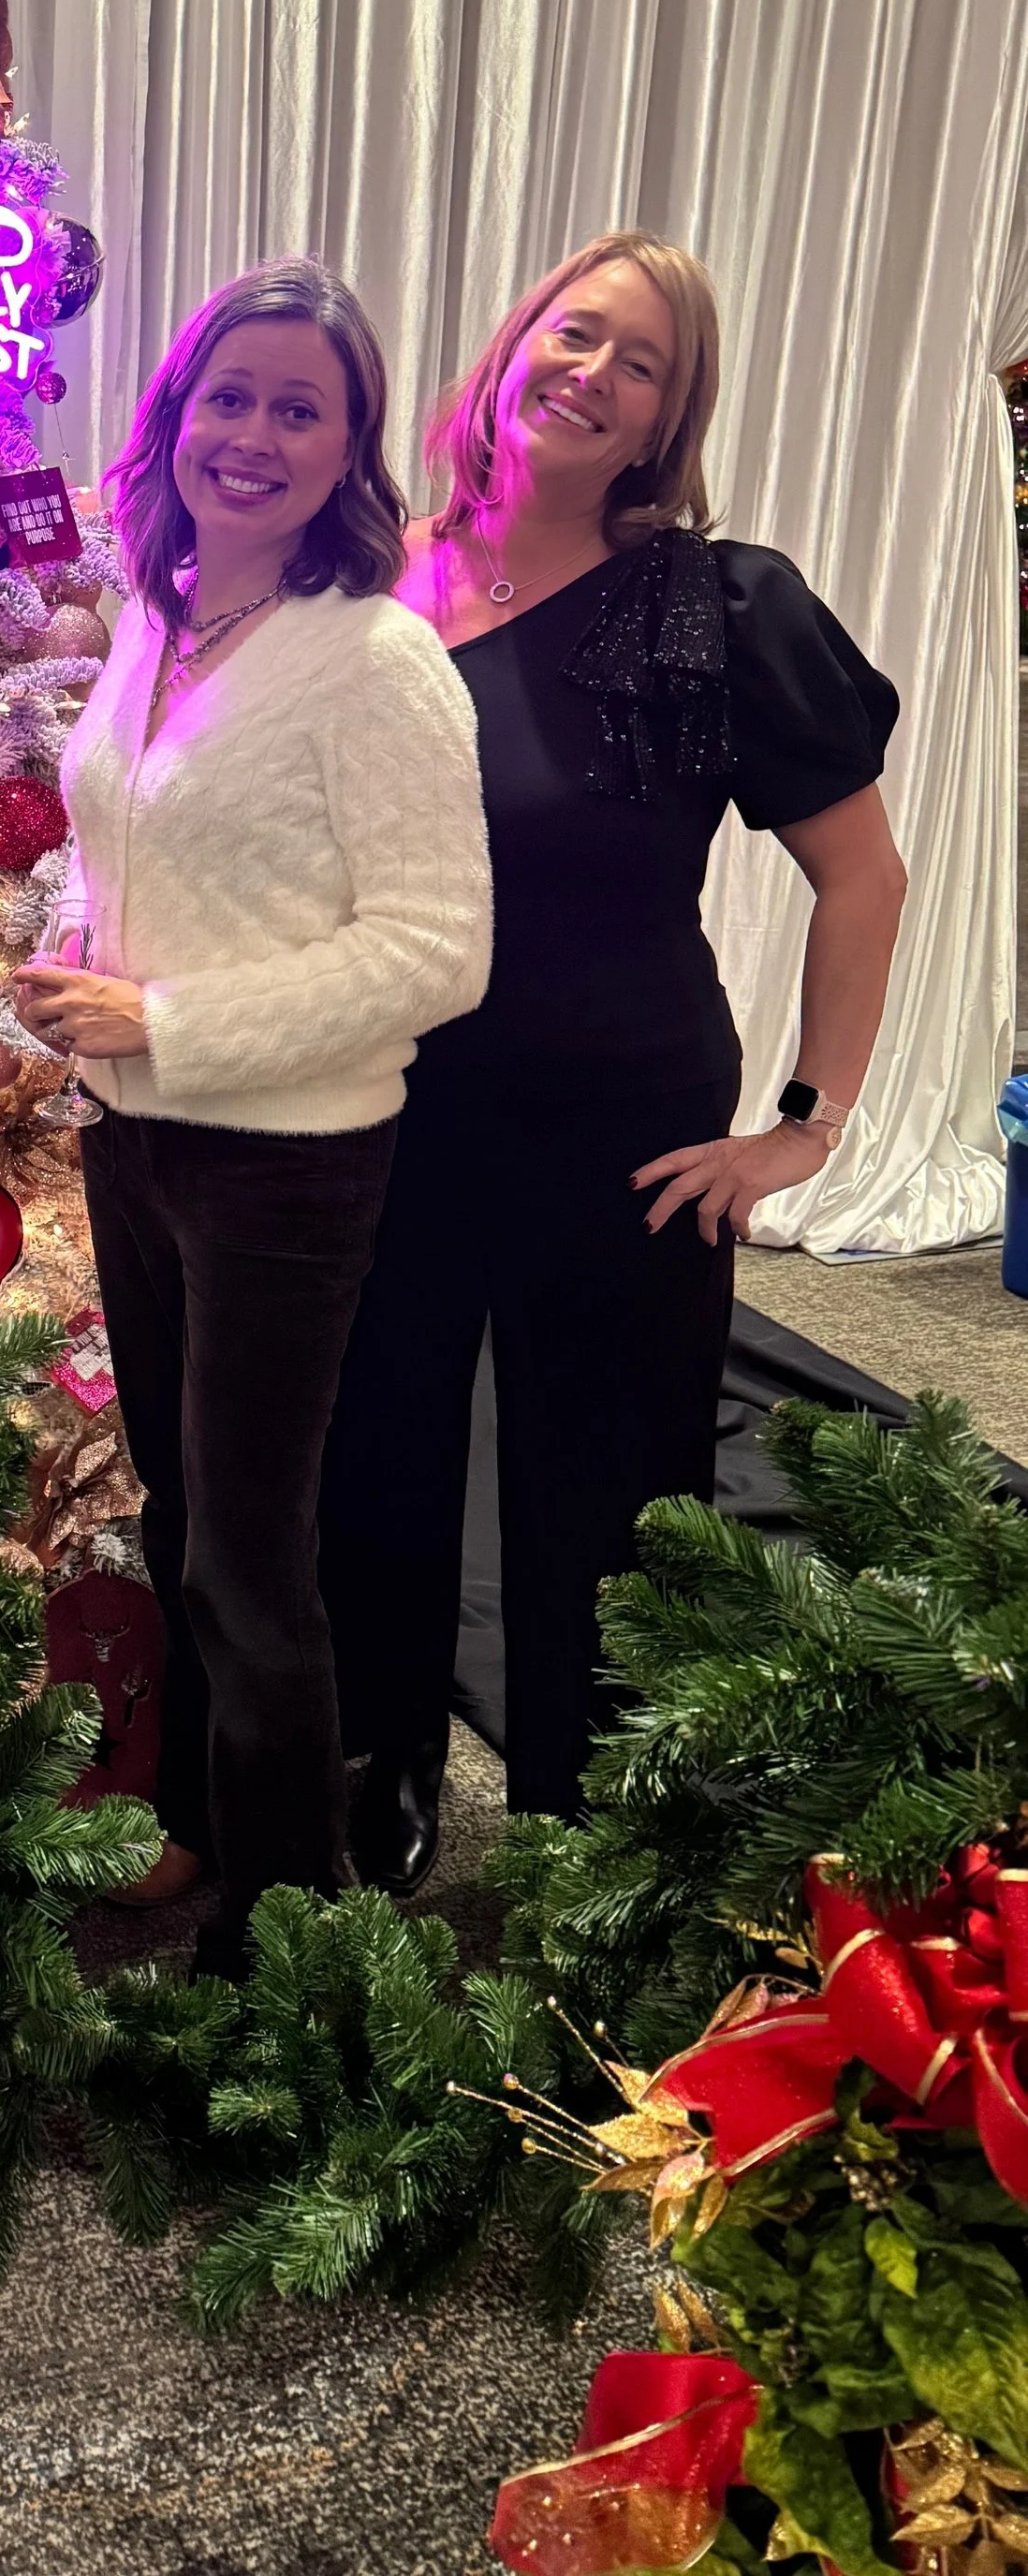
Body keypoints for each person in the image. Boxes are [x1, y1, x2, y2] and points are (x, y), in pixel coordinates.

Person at [318, 232, 906, 1884]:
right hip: (374, 1113)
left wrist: (805, 1126)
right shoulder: (360, 574)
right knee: (374, 1449)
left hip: (620, 1125)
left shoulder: (720, 609)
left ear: (664, 422)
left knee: (608, 1485)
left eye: (638, 364)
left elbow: (863, 876)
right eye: (574, 335)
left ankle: (596, 1825)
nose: (592, 374)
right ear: (509, 352)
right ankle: (391, 1763)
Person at [14, 261, 492, 1974]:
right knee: (181, 1514)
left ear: (352, 446)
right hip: (134, 1138)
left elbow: (440, 951)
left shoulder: (376, 659)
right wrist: (82, 953)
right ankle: (216, 1829)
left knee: (254, 1563)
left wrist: (172, 1021)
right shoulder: (161, 617)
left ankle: (290, 1952)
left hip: (285, 1166)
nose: (257, 434)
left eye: (303, 406)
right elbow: (126, 833)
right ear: (175, 413)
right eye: (232, 396)